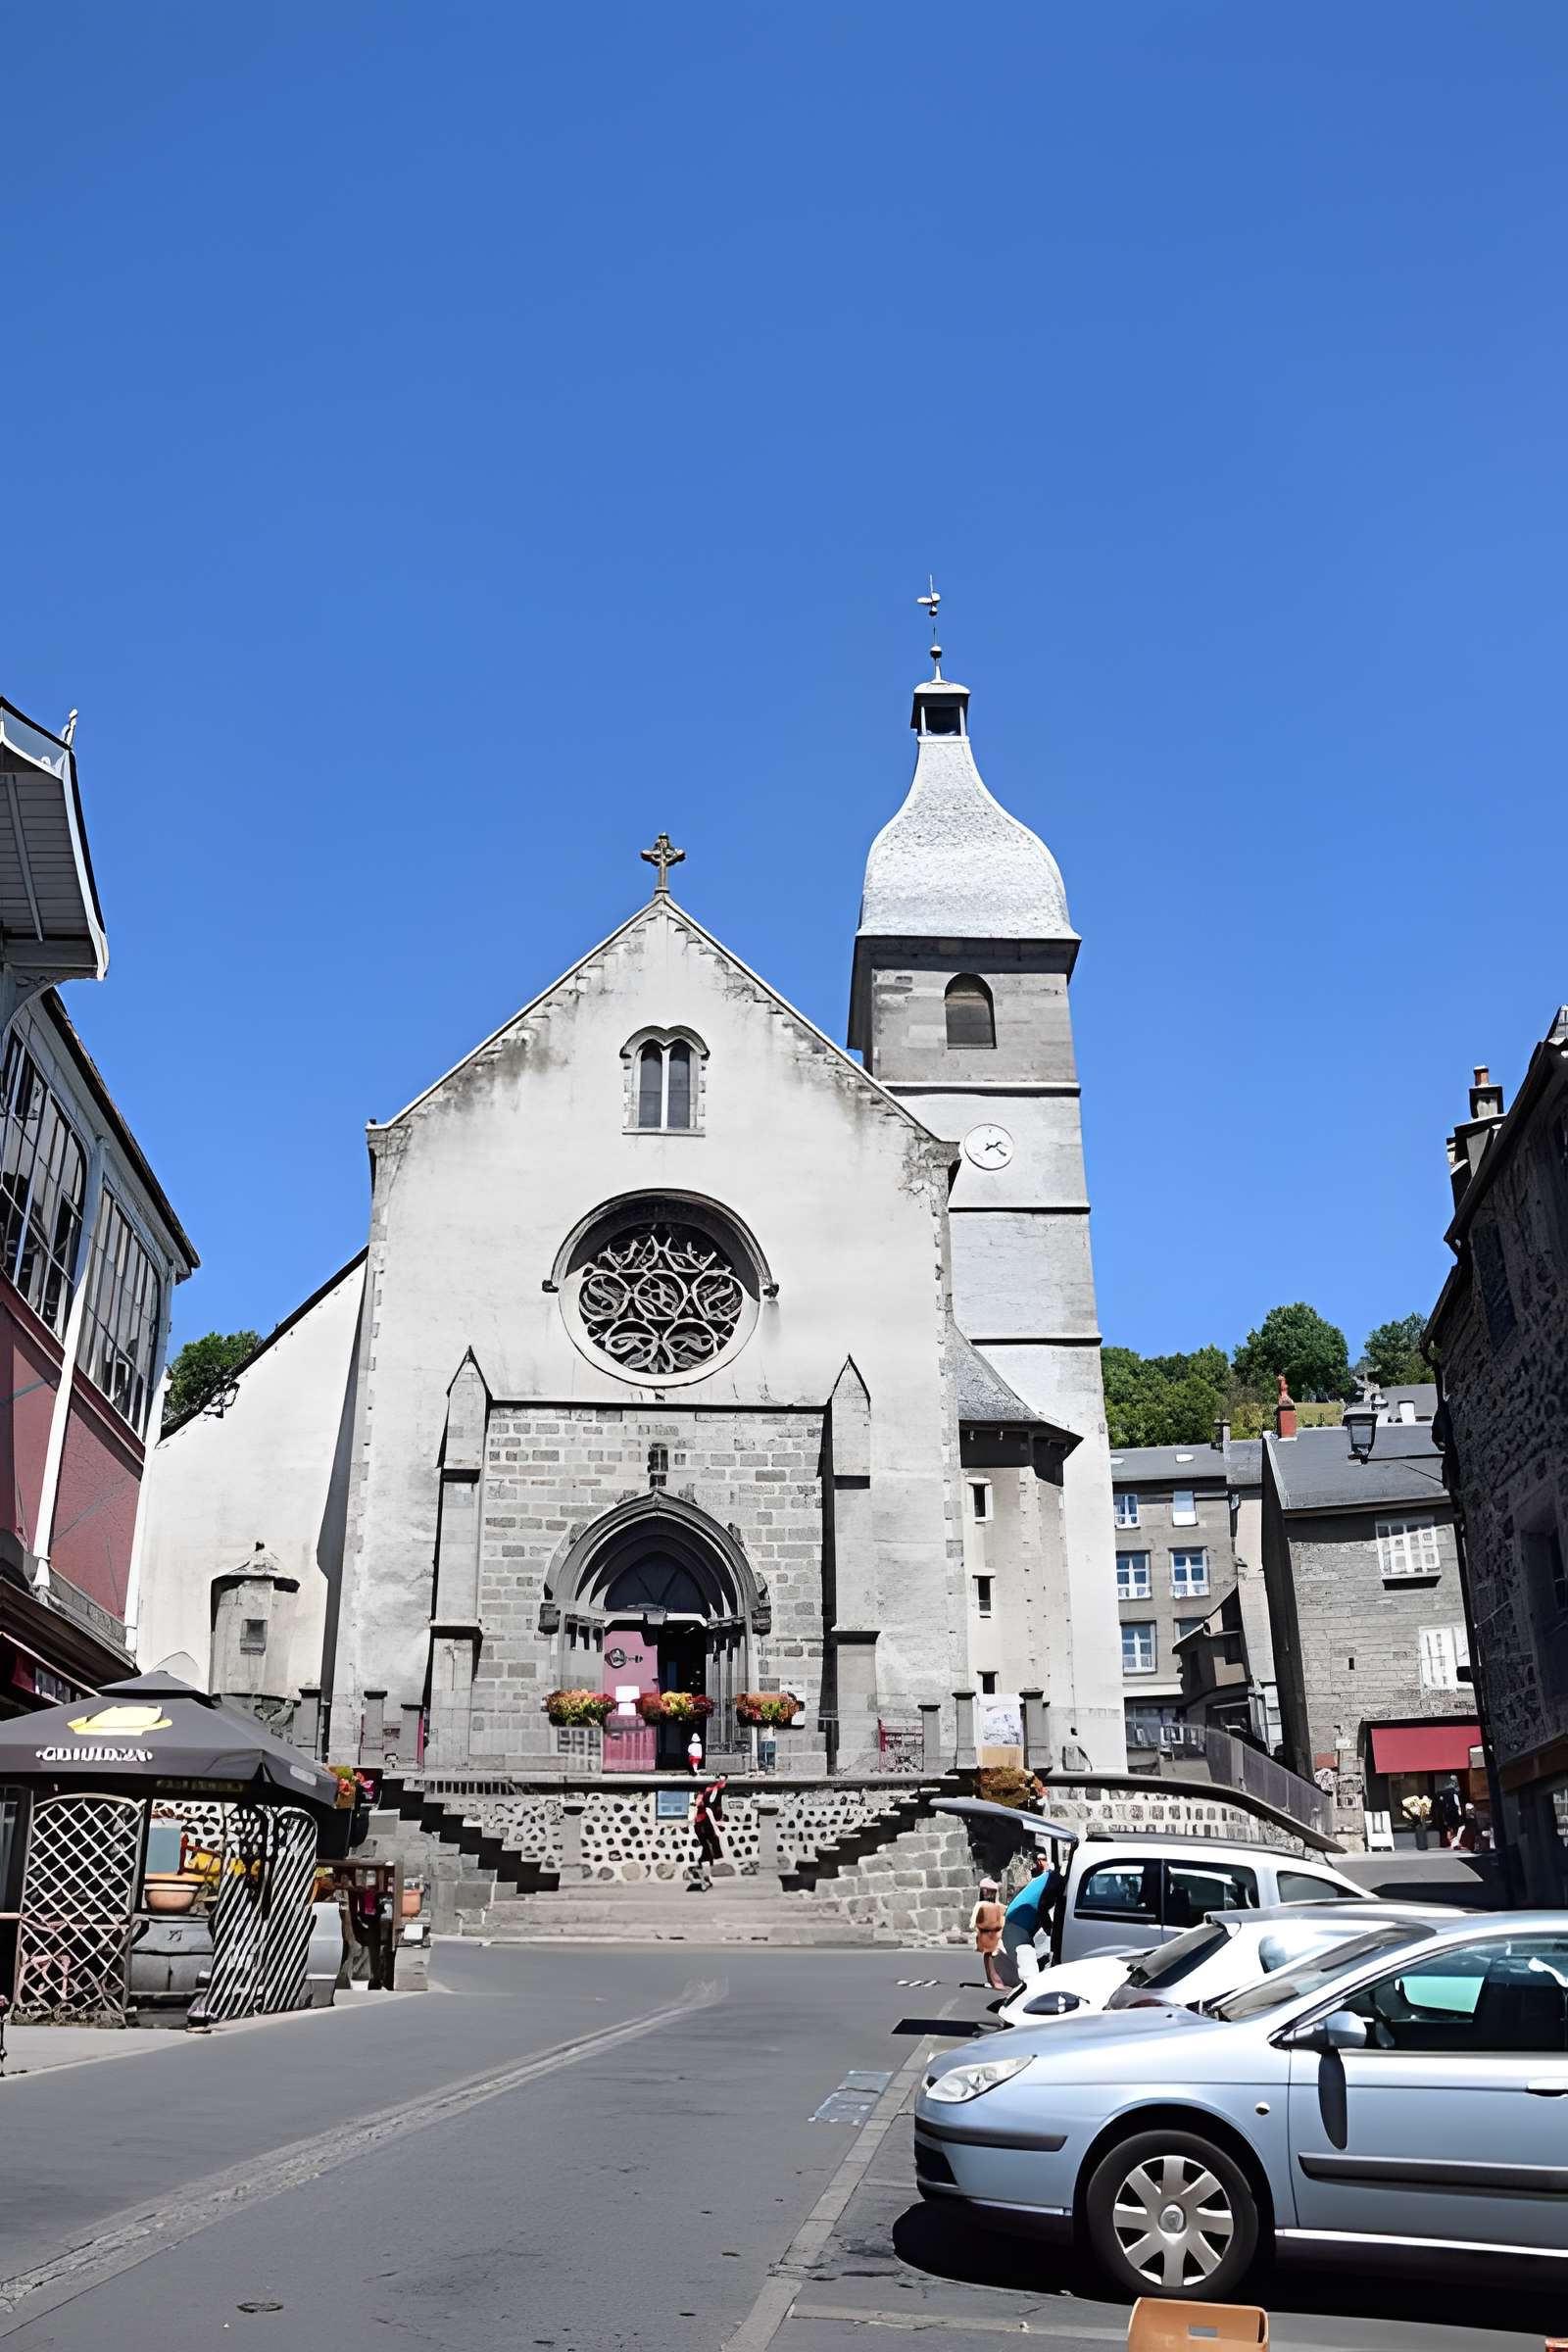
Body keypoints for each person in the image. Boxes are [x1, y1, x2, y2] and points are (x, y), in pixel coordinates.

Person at [1001, 1853, 1057, 1985]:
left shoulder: (1045, 1880)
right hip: (1016, 1928)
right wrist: (1052, 1932)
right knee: (1027, 1978)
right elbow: (1043, 1909)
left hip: (1018, 1926)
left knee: (1029, 1971)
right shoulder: (1052, 1883)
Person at [691, 1772, 727, 1890]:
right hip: (703, 1829)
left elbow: (712, 1817)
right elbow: (706, 1812)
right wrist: (716, 1828)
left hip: (705, 1829)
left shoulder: (709, 1805)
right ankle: (704, 1878)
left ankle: (705, 1877)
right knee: (707, 1852)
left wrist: (717, 1826)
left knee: (708, 1853)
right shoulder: (707, 1795)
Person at [969, 1879, 1006, 1990]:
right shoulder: (983, 1905)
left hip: (991, 1935)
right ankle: (995, 1981)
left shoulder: (991, 1906)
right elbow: (974, 1923)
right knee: (989, 1957)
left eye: (989, 1891)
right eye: (985, 1890)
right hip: (988, 1935)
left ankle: (994, 1980)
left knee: (991, 1958)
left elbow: (973, 1924)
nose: (986, 1893)